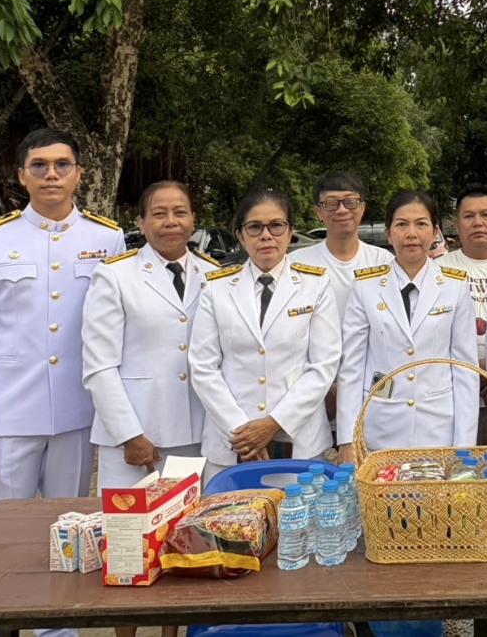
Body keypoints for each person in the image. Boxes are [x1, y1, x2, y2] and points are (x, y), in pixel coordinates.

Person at [0, 128, 124, 637]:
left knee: (67, 532)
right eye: (40, 165)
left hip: (77, 412)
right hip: (7, 414)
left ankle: (58, 630)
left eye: (62, 164)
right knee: (2, 534)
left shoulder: (106, 238)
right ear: (21, 173)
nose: (52, 174)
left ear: (78, 173)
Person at [81, 181, 215, 637]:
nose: (171, 222)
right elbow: (99, 365)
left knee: (183, 544)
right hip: (134, 435)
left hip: (194, 429)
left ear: (194, 220)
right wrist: (128, 434)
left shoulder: (213, 274)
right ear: (140, 223)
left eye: (180, 212)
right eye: (159, 213)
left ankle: (172, 634)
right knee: (129, 549)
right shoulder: (114, 276)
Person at [188, 188, 340, 484]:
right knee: (232, 526)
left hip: (300, 443)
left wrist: (273, 423)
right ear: (240, 236)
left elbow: (323, 365)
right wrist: (243, 431)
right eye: (255, 227)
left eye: (276, 226)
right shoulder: (216, 288)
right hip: (233, 445)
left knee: (300, 527)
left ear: (290, 233)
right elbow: (203, 367)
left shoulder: (316, 285)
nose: (266, 236)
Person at [337, 190, 479, 461]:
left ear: (435, 232)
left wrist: (464, 445)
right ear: (388, 234)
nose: (411, 233)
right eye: (401, 224)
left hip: (439, 427)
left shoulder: (455, 285)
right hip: (381, 426)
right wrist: (347, 438)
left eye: (421, 224)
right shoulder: (365, 286)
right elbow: (352, 367)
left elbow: (465, 370)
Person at [289, 172, 394, 434]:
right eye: (331, 203)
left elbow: (395, 338)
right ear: (318, 212)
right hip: (314, 398)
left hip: (374, 395)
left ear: (362, 208)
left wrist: (364, 390)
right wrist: (328, 388)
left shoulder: (385, 263)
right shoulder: (297, 264)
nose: (341, 210)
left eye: (350, 202)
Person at [440, 184, 487, 442]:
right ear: (456, 223)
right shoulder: (437, 270)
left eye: (486, 215)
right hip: (453, 400)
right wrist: (475, 372)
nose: (478, 222)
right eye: (469, 216)